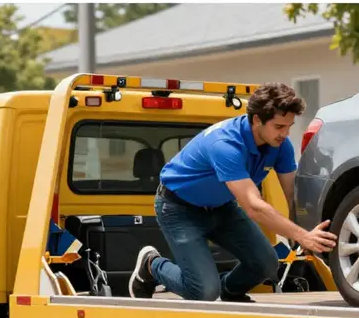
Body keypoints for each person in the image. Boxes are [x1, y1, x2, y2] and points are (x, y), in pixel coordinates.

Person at [129, 82, 337, 302]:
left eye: (289, 126)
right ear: (257, 120)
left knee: (266, 264)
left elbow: (292, 194)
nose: (285, 134)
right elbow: (253, 206)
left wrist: (302, 236)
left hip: (221, 207)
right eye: (279, 127)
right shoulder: (225, 144)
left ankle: (229, 290)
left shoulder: (279, 146)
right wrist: (303, 236)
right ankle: (151, 265)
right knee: (204, 292)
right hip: (179, 209)